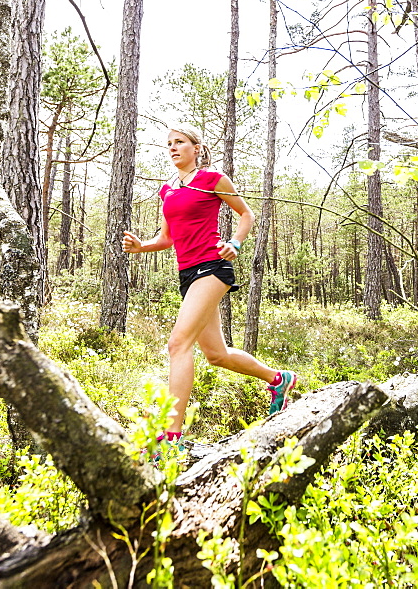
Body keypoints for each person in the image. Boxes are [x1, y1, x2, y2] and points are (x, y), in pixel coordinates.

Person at [122, 124, 298, 455]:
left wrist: (235, 242)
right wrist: (140, 246)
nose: (173, 148)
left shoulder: (212, 179)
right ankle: (279, 379)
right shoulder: (168, 191)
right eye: (169, 143)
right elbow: (167, 239)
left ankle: (171, 436)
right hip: (187, 272)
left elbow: (246, 214)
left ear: (196, 148)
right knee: (216, 355)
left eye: (180, 142)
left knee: (178, 344)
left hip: (213, 266)